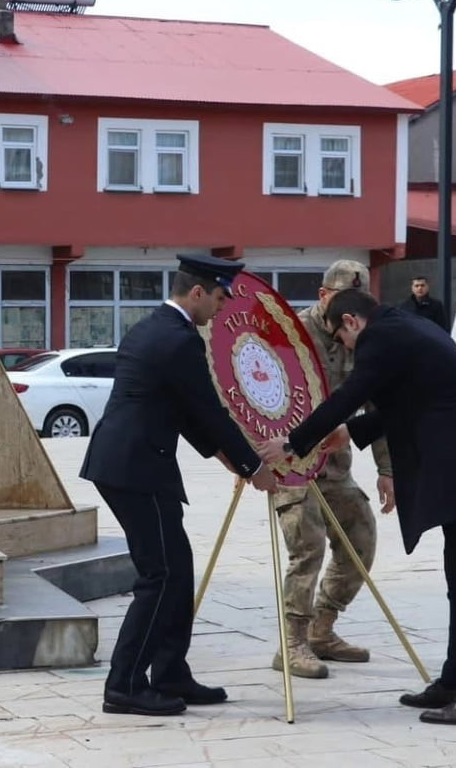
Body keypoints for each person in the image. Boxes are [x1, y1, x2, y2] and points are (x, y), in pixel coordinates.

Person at [273, 289, 456, 725]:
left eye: (343, 338)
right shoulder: (406, 326)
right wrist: (349, 432)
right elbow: (414, 399)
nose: (347, 348)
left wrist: (293, 441)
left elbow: (351, 394)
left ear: (352, 322)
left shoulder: (381, 338)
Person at [79, 254, 282, 717]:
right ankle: (125, 684)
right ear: (197, 293)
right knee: (160, 575)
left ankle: (170, 672)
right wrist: (254, 467)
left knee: (178, 568)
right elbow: (210, 412)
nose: (220, 307)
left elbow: (187, 414)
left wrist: (234, 461)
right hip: (136, 468)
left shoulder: (155, 329)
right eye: (217, 297)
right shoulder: (177, 340)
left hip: (130, 464)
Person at [271, 261, 391, 680]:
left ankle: (323, 628)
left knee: (361, 538)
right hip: (292, 463)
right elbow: (255, 389)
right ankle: (292, 642)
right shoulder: (289, 332)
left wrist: (387, 469)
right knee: (308, 547)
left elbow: (379, 402)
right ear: (323, 296)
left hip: (336, 464)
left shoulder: (365, 334)